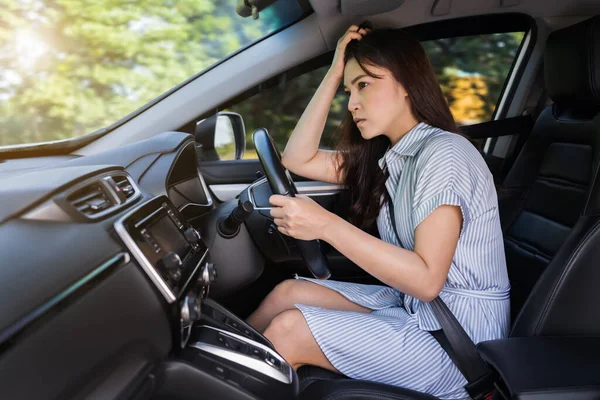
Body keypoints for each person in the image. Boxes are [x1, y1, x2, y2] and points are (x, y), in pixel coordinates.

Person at [246, 25, 510, 399]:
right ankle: (202, 371)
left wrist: (325, 225)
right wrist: (334, 72)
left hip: (459, 342)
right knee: (288, 293)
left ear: (406, 83)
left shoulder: (445, 155)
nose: (352, 103)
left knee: (291, 329)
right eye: (349, 90)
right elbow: (296, 158)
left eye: (364, 85)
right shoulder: (391, 158)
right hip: (416, 309)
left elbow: (425, 280)